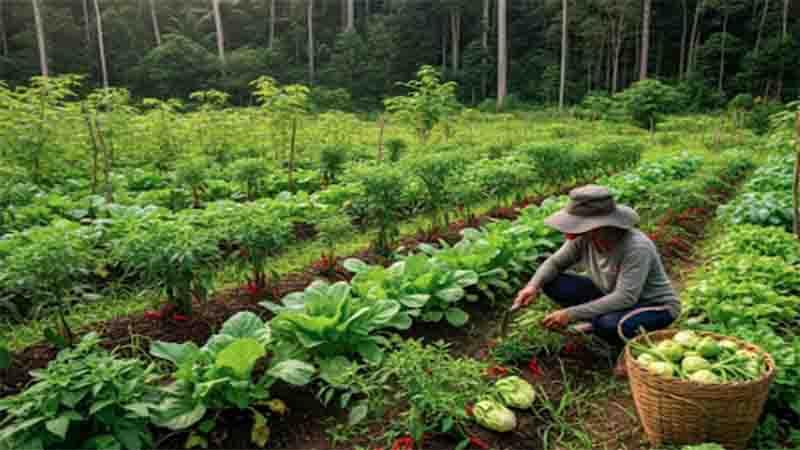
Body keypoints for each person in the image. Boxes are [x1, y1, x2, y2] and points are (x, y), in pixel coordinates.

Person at [511, 185, 679, 373]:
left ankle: (628, 348)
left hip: (653, 306)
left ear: (600, 225)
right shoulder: (583, 239)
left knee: (608, 325)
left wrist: (570, 314)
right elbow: (554, 263)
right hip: (611, 295)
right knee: (551, 281)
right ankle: (595, 323)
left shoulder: (636, 247)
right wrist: (532, 287)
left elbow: (626, 298)